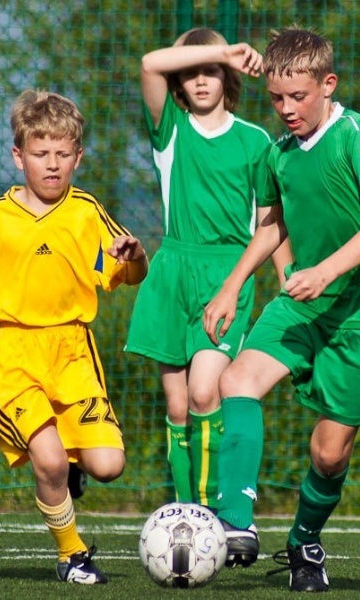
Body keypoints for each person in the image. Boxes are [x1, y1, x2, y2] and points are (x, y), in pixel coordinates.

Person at [202, 26, 360, 592]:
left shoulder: (356, 136)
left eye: (299, 97)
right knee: (237, 379)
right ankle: (235, 522)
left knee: (328, 452)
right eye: (276, 99)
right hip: (304, 301)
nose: (287, 109)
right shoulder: (278, 155)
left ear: (328, 85)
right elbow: (272, 225)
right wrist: (232, 285)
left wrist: (324, 270)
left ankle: (303, 542)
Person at [0, 89, 148, 585]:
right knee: (47, 459)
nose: (51, 165)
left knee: (109, 465)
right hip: (11, 352)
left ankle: (70, 471)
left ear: (78, 157)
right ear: (18, 156)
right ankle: (72, 555)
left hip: (73, 351)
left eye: (62, 154)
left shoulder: (87, 211)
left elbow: (132, 272)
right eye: (40, 153)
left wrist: (134, 253)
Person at [123, 27, 290, 569]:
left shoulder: (256, 142)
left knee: (203, 392)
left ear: (229, 80)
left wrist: (287, 284)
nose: (200, 79)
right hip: (172, 272)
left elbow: (271, 224)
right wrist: (221, 50)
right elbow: (150, 61)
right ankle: (185, 514)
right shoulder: (170, 131)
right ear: (179, 81)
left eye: (212, 71)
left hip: (227, 276)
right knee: (177, 406)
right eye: (191, 71)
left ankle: (221, 517)